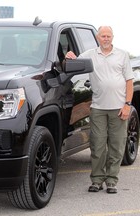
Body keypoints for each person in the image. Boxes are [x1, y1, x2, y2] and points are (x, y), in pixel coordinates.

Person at [65, 26, 134, 194]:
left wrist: (127, 105)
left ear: (112, 37)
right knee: (97, 146)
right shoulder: (89, 55)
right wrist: (70, 57)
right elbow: (74, 63)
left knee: (116, 146)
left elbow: (129, 81)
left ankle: (111, 181)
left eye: (108, 36)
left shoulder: (122, 55)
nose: (106, 38)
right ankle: (96, 180)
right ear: (97, 37)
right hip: (97, 108)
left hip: (118, 108)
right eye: (103, 36)